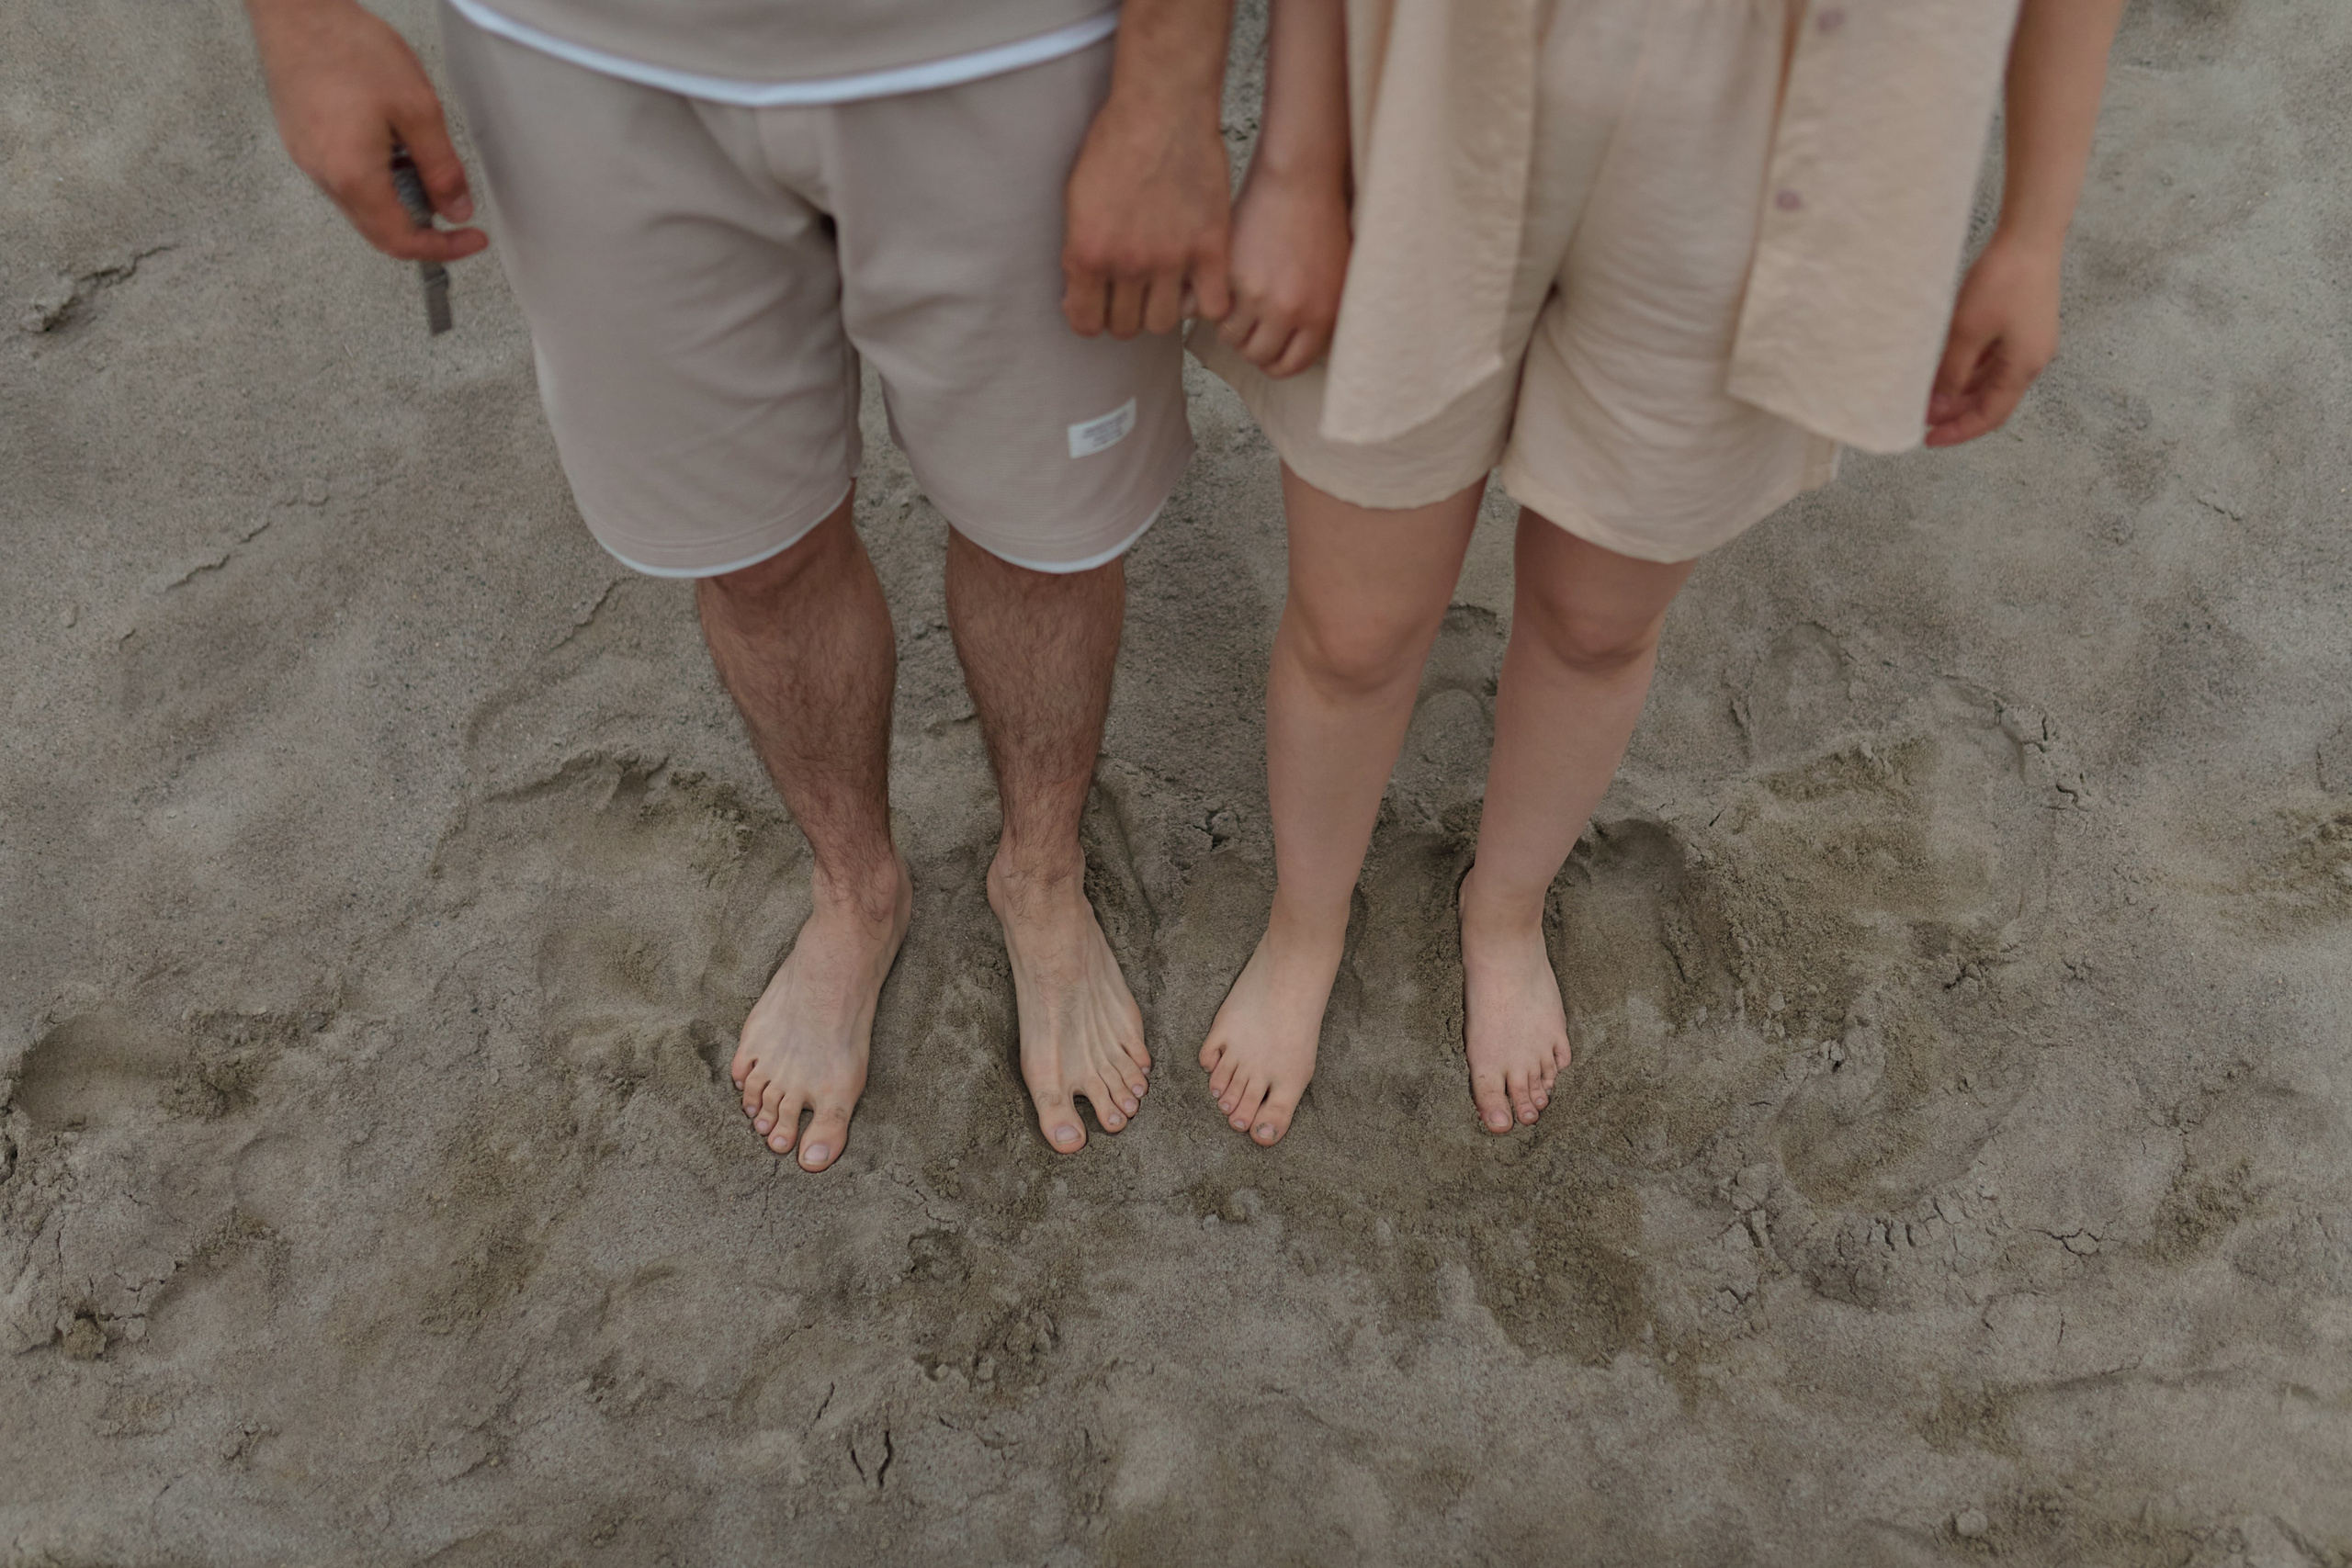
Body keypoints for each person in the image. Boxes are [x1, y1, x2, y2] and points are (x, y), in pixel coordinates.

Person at [242, 0, 1240, 1169]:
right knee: (755, 553)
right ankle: (856, 888)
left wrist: (1169, 88)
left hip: (1013, 40)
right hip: (581, 52)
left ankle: (1043, 875)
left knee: (1048, 533)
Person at [1194, 0, 2127, 1145]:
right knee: (1354, 628)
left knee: (1596, 622)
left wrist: (2035, 228)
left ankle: (1505, 906)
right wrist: (1295, 159)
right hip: (1444, 56)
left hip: (1778, 117)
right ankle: (1306, 922)